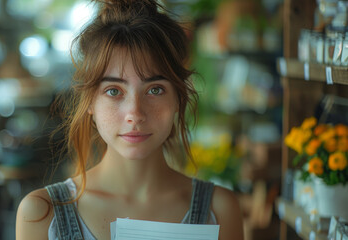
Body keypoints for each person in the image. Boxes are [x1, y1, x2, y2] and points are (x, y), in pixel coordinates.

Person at [16, 0, 244, 239]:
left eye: (155, 90)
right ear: (90, 102)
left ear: (178, 98)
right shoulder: (42, 214)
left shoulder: (219, 211)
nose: (135, 114)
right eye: (114, 91)